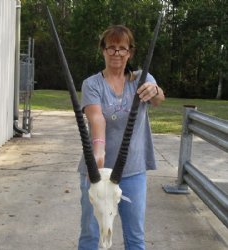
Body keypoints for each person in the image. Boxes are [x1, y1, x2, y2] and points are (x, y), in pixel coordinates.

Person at [77, 25, 165, 250]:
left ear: (130, 52)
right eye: (111, 48)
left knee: (135, 235)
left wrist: (155, 91)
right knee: (91, 232)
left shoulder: (142, 79)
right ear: (103, 50)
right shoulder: (92, 84)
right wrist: (98, 150)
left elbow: (158, 99)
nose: (116, 53)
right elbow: (97, 118)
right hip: (96, 172)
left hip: (132, 170)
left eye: (122, 48)